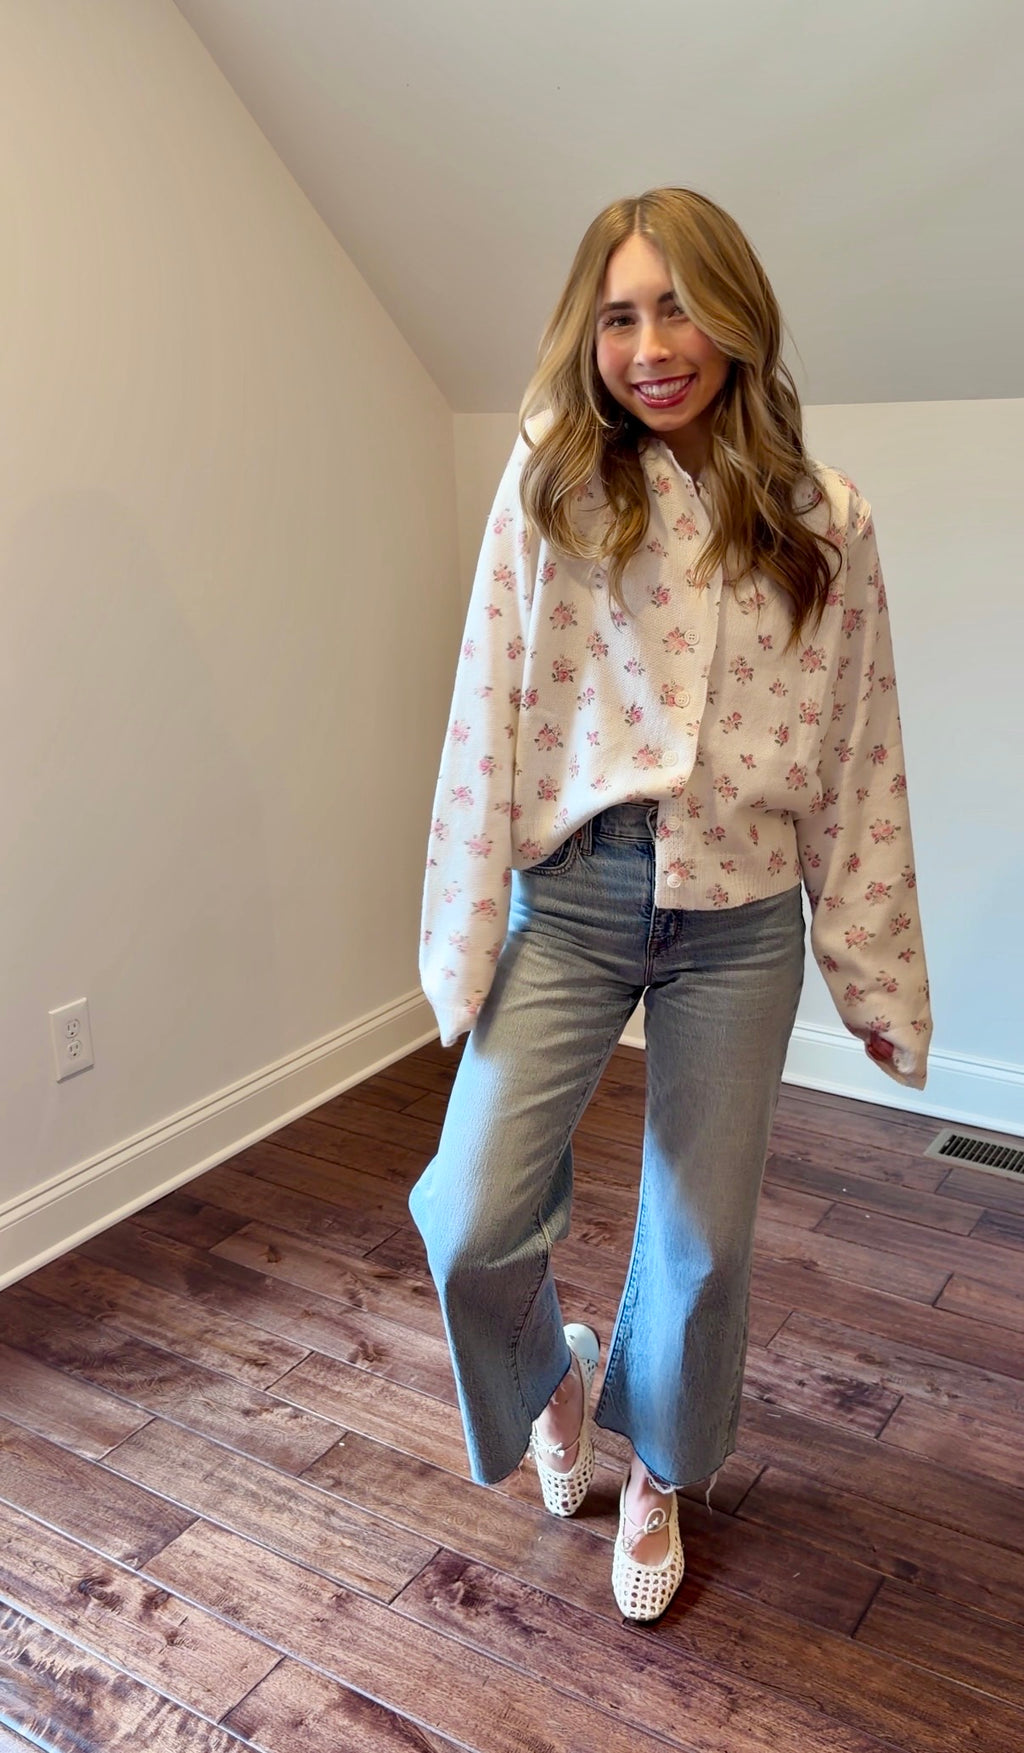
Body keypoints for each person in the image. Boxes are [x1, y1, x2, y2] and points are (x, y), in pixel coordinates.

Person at [409, 187, 931, 1622]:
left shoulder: (826, 526)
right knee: (467, 1215)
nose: (652, 343)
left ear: (740, 320)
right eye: (623, 311)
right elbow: (483, 724)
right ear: (589, 331)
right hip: (575, 893)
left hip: (742, 912)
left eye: (682, 305)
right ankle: (556, 1378)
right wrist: (460, 933)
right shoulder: (552, 494)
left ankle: (661, 1469)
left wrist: (876, 973)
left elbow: (859, 751)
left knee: (699, 1245)